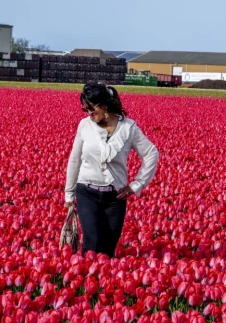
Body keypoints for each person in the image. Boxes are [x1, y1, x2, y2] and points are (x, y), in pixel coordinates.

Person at [65, 83, 159, 257]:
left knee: (108, 248)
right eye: (85, 109)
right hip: (87, 192)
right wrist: (69, 194)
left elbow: (151, 153)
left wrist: (136, 185)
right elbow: (75, 159)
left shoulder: (128, 128)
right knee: (92, 245)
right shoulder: (85, 125)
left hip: (115, 198)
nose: (88, 114)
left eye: (92, 109)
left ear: (105, 105)